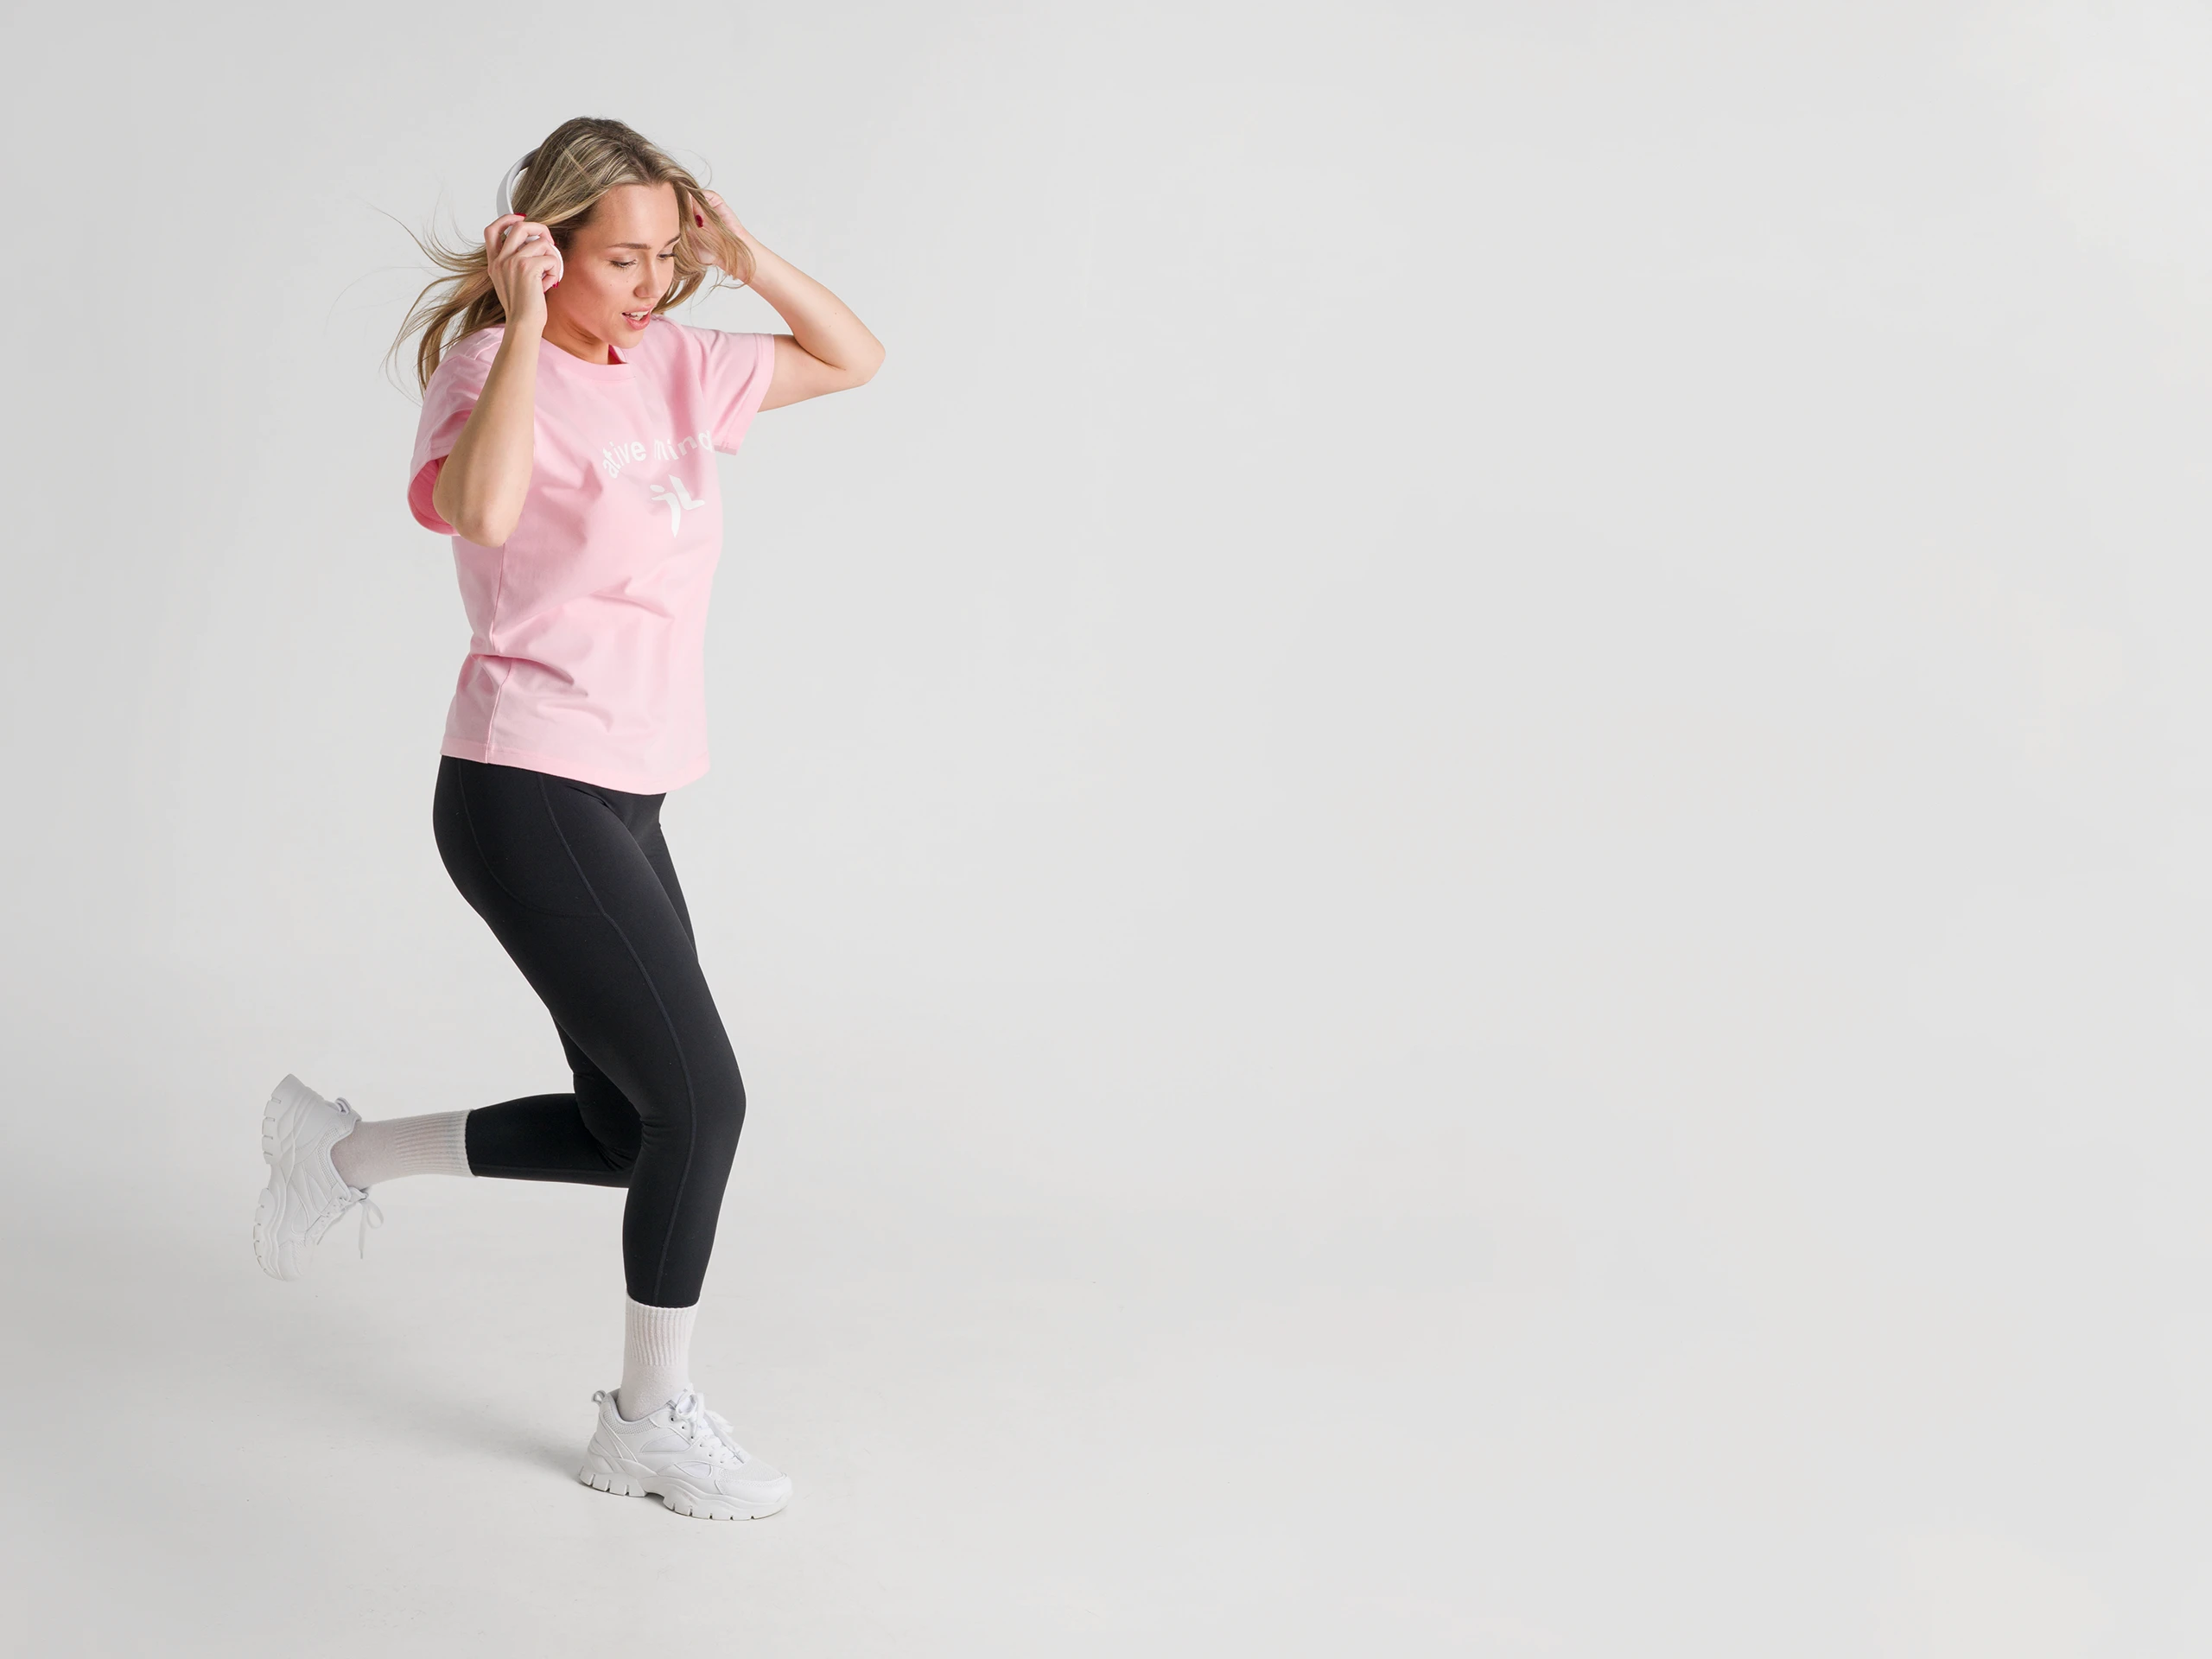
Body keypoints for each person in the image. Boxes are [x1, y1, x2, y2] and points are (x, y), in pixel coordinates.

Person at [250, 116, 884, 1522]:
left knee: (628, 1127)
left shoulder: (676, 362)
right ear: (544, 245)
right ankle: (646, 1421)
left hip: (632, 789)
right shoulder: (488, 367)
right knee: (702, 1103)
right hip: (523, 786)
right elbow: (476, 514)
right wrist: (526, 326)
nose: (651, 285)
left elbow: (853, 357)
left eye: (669, 256)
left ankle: (338, 1154)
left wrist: (746, 252)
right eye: (622, 257)